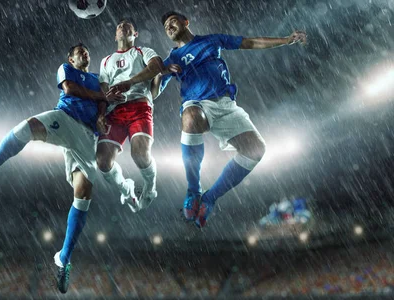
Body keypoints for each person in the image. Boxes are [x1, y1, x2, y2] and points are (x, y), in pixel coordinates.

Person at [0, 43, 123, 293]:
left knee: (84, 196)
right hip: (63, 118)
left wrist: (100, 114)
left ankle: (64, 259)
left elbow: (102, 103)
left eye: (87, 51)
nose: (85, 53)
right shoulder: (66, 70)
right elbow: (70, 89)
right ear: (71, 57)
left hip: (87, 135)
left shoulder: (98, 79)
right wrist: (102, 97)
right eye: (79, 51)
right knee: (25, 128)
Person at [110, 11, 307, 228]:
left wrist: (286, 40)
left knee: (256, 150)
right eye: (165, 26)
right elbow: (154, 93)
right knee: (191, 117)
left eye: (172, 21)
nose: (168, 26)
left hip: (226, 104)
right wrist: (161, 71)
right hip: (197, 105)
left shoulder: (212, 41)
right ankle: (193, 190)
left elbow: (249, 42)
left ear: (186, 22)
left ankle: (209, 198)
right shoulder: (173, 58)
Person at [97, 19, 165, 212]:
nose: (122, 26)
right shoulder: (105, 61)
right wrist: (100, 114)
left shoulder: (143, 51)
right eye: (119, 26)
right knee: (102, 162)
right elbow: (103, 91)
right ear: (115, 35)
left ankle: (150, 188)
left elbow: (157, 65)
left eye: (128, 26)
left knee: (140, 154)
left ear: (135, 34)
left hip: (139, 106)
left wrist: (129, 82)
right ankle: (126, 189)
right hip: (114, 112)